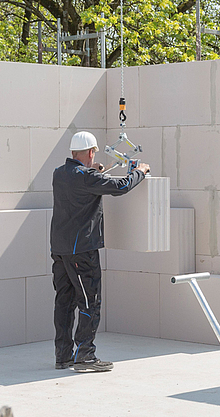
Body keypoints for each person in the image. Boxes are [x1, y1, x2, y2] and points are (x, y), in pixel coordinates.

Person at [50, 130, 150, 372]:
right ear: (91, 151)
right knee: (89, 302)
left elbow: (83, 182)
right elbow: (121, 186)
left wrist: (93, 170)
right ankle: (85, 356)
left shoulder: (60, 174)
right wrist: (140, 171)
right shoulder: (86, 178)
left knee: (64, 301)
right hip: (82, 251)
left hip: (60, 249)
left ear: (74, 152)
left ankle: (63, 355)